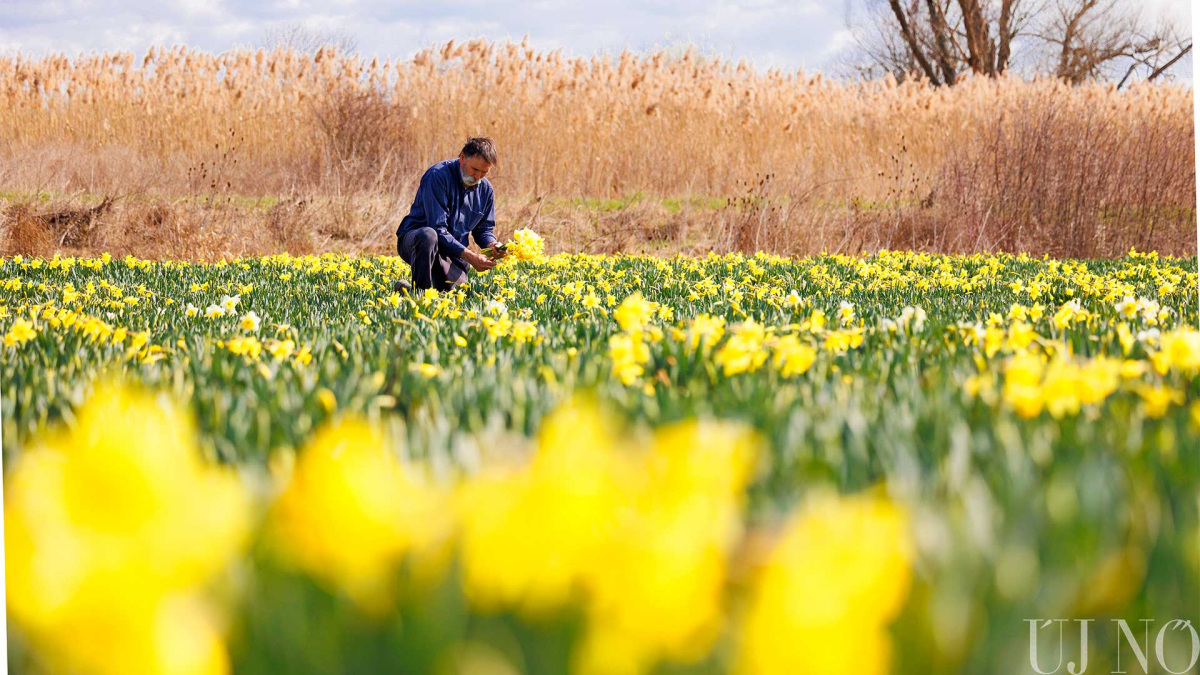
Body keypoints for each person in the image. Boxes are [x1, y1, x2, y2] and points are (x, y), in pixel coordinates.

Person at [394, 137, 507, 293]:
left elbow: (484, 230)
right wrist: (470, 256)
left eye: (484, 172)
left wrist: (492, 245)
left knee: (451, 295)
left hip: (453, 251)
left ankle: (405, 291)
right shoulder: (438, 176)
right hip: (417, 241)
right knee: (428, 235)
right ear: (462, 158)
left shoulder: (486, 190)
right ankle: (419, 295)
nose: (478, 177)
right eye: (475, 169)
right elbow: (437, 228)